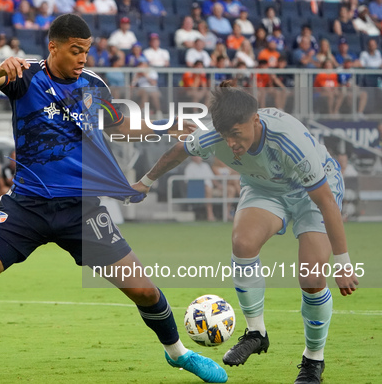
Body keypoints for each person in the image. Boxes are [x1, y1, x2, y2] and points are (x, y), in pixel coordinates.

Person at [0, 13, 228, 384]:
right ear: (53, 47)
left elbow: (119, 126)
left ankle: (179, 355)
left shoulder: (92, 85)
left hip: (81, 210)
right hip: (27, 206)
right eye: (76, 51)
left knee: (145, 291)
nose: (83, 59)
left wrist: (166, 127)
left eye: (86, 51)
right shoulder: (25, 75)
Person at [134, 80, 359, 384]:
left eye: (236, 135)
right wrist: (145, 182)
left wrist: (344, 263)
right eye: (225, 136)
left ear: (255, 120)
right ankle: (256, 333)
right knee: (243, 242)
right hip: (264, 188)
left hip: (312, 193)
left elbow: (327, 204)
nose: (230, 144)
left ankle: (312, 362)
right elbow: (178, 151)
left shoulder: (289, 141)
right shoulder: (217, 134)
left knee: (312, 278)